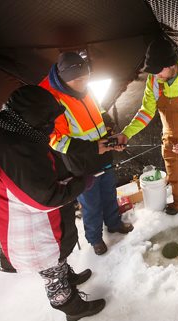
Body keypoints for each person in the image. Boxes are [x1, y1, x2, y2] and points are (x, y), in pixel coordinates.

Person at [0, 85, 105, 321]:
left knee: (56, 259)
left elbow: (39, 175)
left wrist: (71, 177)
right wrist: (81, 184)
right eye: (47, 121)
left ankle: (68, 277)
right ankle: (71, 306)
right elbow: (44, 198)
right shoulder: (11, 148)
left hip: (32, 220)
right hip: (24, 229)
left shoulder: (17, 133)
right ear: (33, 118)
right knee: (50, 268)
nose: (51, 126)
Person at [39, 52, 133, 256]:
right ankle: (95, 239)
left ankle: (114, 223)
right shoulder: (52, 100)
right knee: (90, 203)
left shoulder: (85, 88)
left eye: (85, 77)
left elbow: (99, 111)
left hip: (103, 154)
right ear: (65, 78)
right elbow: (57, 140)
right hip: (82, 161)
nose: (83, 83)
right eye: (78, 80)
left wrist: (111, 134)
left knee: (109, 193)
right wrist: (93, 148)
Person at [114, 38, 178, 222]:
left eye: (158, 70)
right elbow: (146, 112)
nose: (155, 75)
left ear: (171, 65)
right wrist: (126, 133)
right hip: (169, 139)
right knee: (175, 176)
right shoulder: (154, 80)